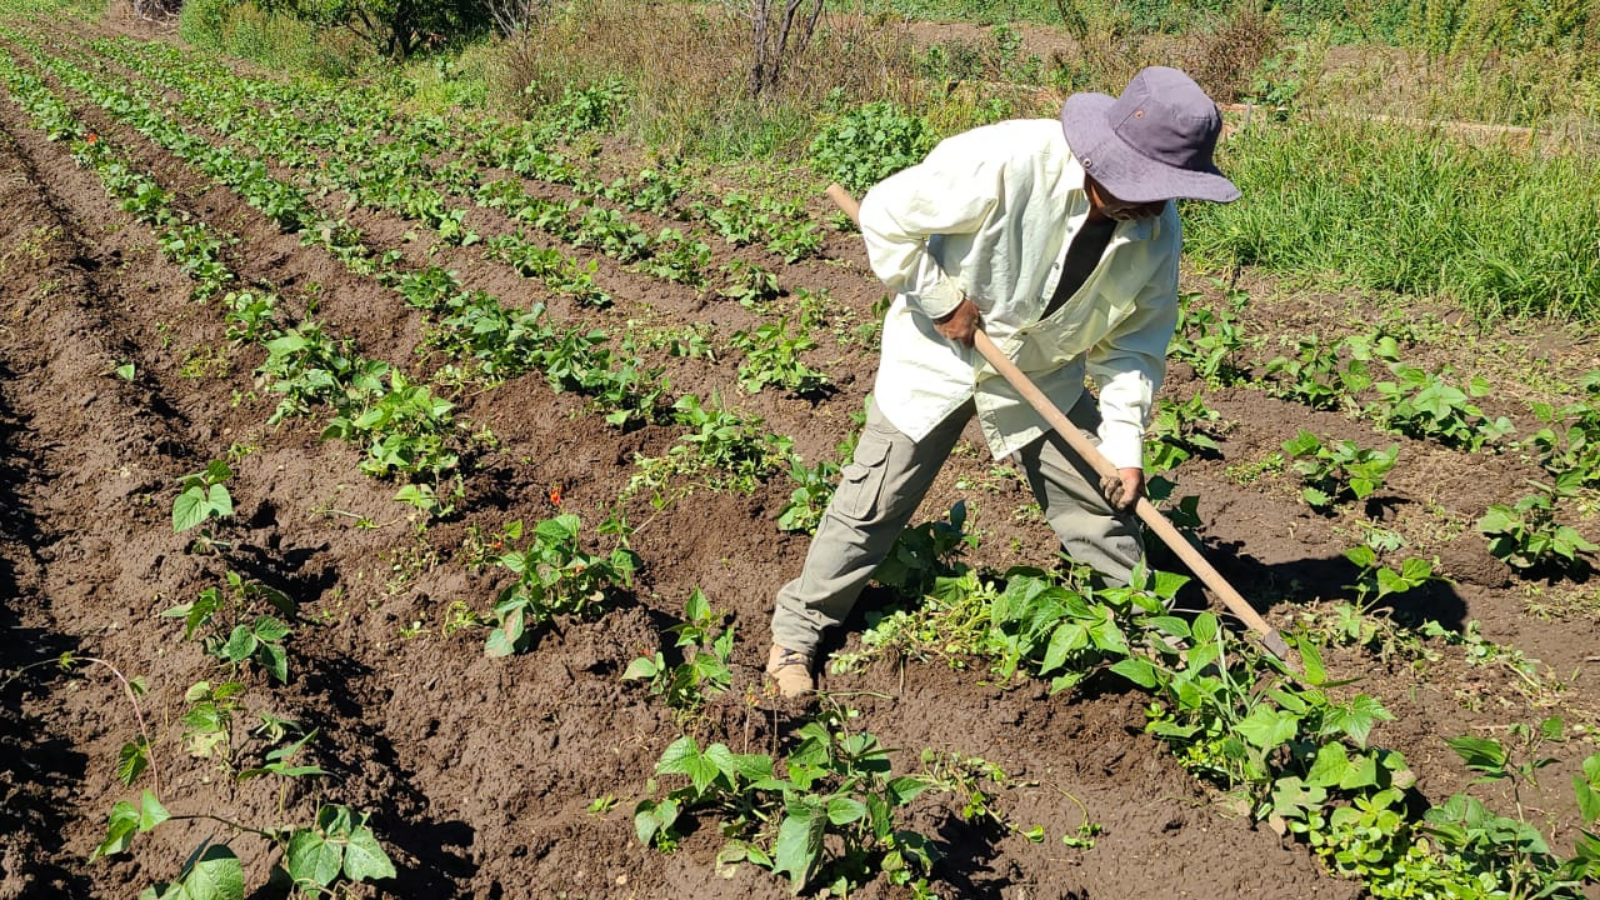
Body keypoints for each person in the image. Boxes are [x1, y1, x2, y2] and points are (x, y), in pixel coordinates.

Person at [765, 66, 1241, 697]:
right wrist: (939, 299)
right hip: (939, 358)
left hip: (1041, 371)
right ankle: (795, 638)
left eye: (1170, 189)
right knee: (873, 504)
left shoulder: (1155, 230)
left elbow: (1134, 347)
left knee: (1101, 506)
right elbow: (883, 213)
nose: (1156, 203)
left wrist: (1123, 446)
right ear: (1109, 154)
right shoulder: (1008, 159)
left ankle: (1158, 642)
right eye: (1149, 185)